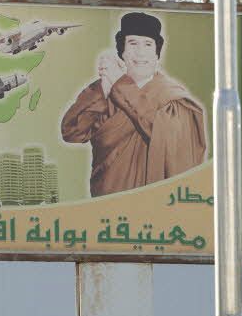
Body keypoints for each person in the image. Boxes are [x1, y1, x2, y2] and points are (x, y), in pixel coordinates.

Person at [60, 11, 206, 197]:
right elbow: (72, 132)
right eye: (133, 43)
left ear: (156, 53)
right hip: (108, 203)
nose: (140, 52)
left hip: (155, 204)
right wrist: (104, 91)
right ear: (122, 50)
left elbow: (177, 147)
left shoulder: (172, 98)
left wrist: (122, 88)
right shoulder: (105, 88)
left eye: (147, 44)